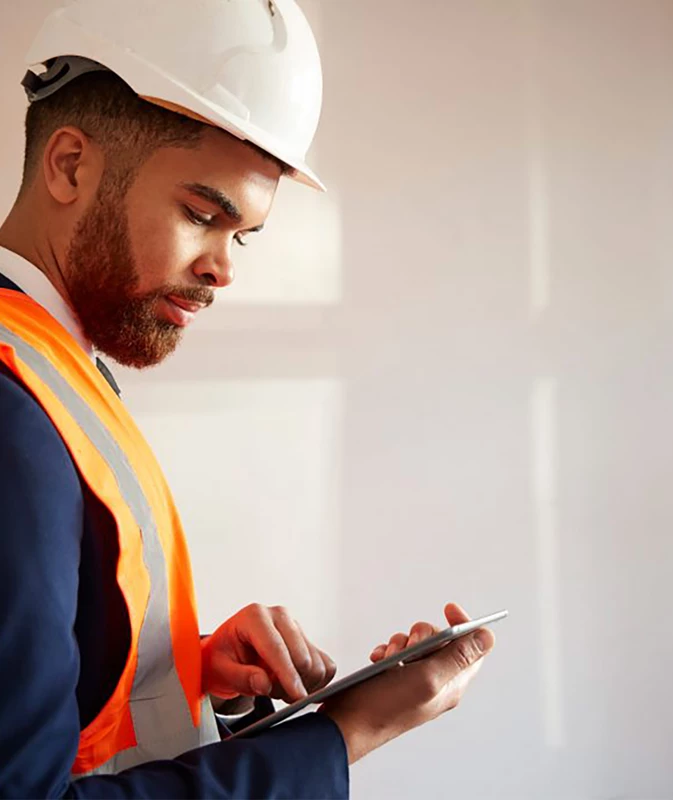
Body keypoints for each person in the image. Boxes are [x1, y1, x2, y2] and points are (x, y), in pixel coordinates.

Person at [0, 1, 497, 797]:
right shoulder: (12, 408)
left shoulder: (50, 365)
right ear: (68, 165)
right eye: (202, 214)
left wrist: (197, 675)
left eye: (243, 236)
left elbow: (59, 711)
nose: (224, 269)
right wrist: (349, 733)